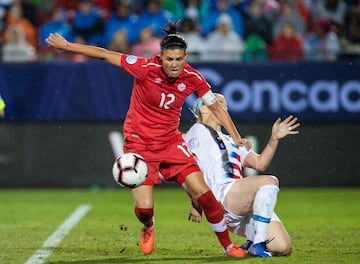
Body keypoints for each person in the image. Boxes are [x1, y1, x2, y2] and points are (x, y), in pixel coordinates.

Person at [46, 21, 248, 258]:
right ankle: (148, 225)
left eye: (179, 60)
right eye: (169, 59)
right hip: (139, 144)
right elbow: (104, 54)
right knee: (145, 208)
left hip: (171, 142)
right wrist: (68, 45)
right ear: (160, 56)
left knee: (206, 196)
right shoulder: (144, 67)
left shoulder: (193, 77)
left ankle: (227, 246)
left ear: (185, 57)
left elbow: (216, 107)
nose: (174, 65)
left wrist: (236, 137)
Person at [185, 94, 299, 257]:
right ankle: (258, 243)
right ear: (204, 108)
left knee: (283, 247)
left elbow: (260, 163)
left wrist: (274, 139)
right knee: (270, 181)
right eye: (219, 104)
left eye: (225, 106)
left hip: (241, 201)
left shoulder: (232, 140)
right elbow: (191, 168)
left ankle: (250, 243)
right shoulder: (198, 131)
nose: (224, 109)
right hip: (223, 197)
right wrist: (195, 201)